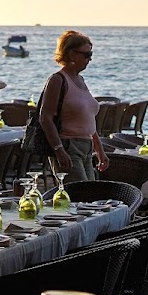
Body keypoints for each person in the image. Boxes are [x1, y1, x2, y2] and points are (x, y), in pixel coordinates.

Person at [38, 30, 109, 181]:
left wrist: (99, 149)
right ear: (71, 54)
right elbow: (45, 118)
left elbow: (88, 120)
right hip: (68, 145)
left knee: (90, 198)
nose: (89, 59)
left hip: (86, 147)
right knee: (79, 196)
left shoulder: (80, 80)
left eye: (91, 54)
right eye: (86, 55)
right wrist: (59, 149)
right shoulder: (58, 80)